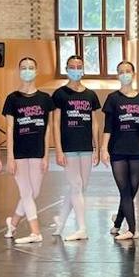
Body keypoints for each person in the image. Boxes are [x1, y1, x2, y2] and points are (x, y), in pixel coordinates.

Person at [2, 57, 53, 245]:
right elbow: (9, 129)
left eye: (31, 67)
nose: (27, 70)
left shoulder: (45, 99)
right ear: (19, 71)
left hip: (38, 150)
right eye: (24, 67)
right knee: (25, 192)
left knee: (34, 192)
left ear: (37, 70)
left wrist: (47, 155)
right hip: (20, 152)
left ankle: (13, 222)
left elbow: (47, 128)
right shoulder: (12, 99)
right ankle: (35, 232)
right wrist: (10, 157)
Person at [102, 61, 139, 241]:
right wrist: (103, 148)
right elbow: (107, 126)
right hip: (117, 150)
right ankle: (132, 229)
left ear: (134, 73)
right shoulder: (113, 99)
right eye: (121, 71)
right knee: (124, 191)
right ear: (117, 75)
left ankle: (117, 222)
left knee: (132, 190)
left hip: (135, 150)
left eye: (128, 71)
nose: (125, 74)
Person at [51, 55, 100, 242]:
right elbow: (55, 123)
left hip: (86, 147)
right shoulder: (60, 94)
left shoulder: (90, 95)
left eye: (79, 66)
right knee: (76, 186)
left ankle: (61, 221)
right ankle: (82, 228)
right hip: (69, 147)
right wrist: (59, 149)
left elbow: (95, 123)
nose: (76, 69)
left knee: (80, 187)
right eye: (72, 66)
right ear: (66, 68)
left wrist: (96, 147)